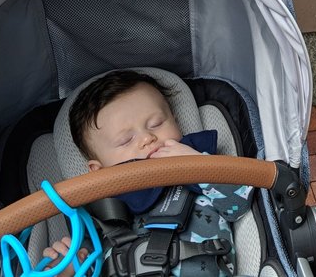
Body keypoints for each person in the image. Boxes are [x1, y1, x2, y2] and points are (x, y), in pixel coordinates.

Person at [43, 70, 252, 277]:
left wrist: (196, 166)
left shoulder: (204, 167)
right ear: (99, 171)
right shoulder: (100, 216)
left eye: (156, 124)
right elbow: (94, 265)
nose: (147, 138)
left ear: (176, 122)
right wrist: (70, 267)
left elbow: (239, 203)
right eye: (126, 140)